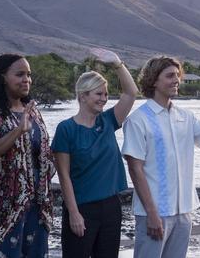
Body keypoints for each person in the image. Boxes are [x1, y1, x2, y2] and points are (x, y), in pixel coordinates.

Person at [122, 56, 200, 258]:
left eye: (177, 75)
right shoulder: (138, 120)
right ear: (154, 80)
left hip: (184, 210)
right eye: (170, 75)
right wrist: (152, 214)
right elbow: (135, 169)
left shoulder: (186, 117)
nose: (176, 80)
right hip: (153, 213)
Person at [0, 54, 55, 258]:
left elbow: (40, 156)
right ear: (3, 77)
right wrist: (16, 132)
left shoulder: (33, 112)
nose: (27, 80)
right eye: (20, 74)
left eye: (29, 75)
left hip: (36, 208)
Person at [52, 48, 138, 257]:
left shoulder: (108, 121)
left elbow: (131, 93)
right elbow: (63, 176)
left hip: (111, 206)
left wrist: (117, 64)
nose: (104, 99)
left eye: (106, 94)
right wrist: (73, 213)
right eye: (99, 94)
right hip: (82, 207)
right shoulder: (66, 129)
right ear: (83, 96)